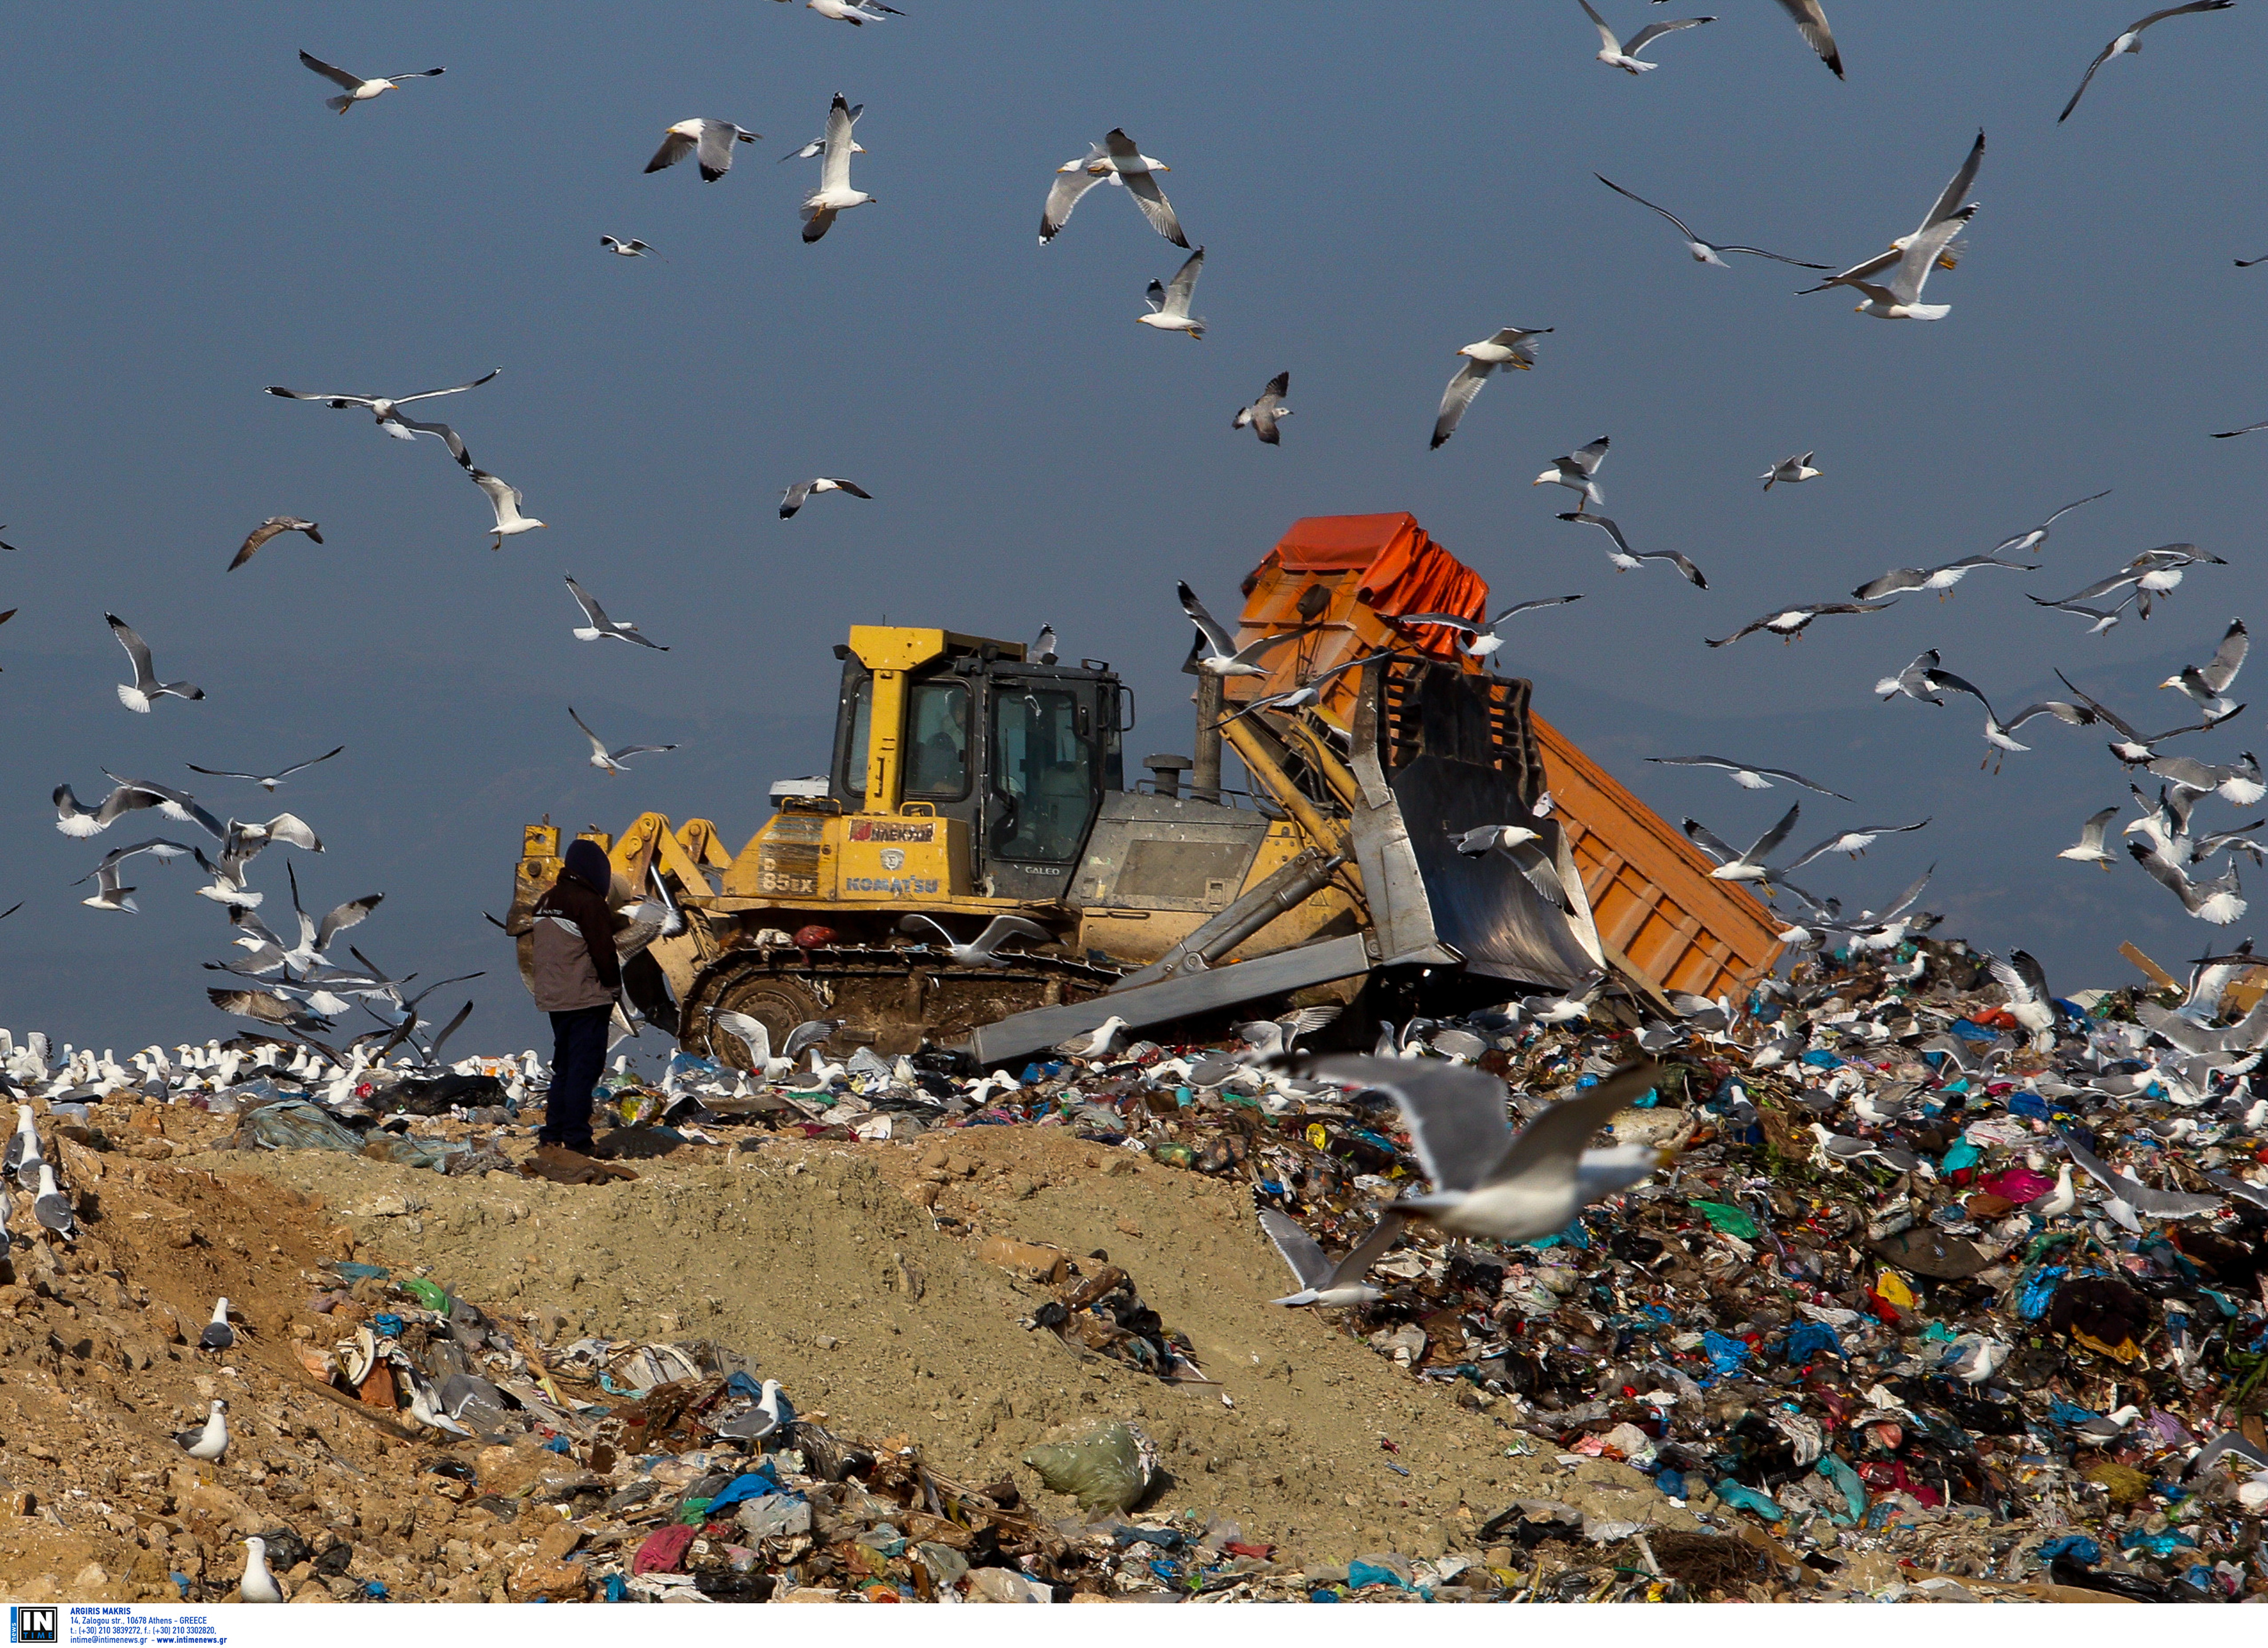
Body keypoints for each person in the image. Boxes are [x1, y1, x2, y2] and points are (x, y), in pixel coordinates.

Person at [526, 838, 620, 1156]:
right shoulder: (588, 903)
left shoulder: (544, 901)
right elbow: (604, 951)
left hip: (555, 999)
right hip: (586, 998)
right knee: (584, 1069)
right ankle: (578, 1141)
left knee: (564, 1069)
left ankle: (552, 1135)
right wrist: (614, 987)